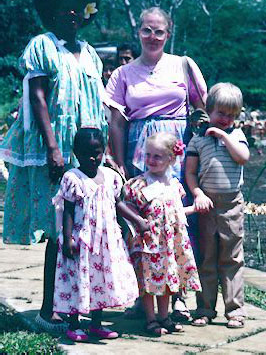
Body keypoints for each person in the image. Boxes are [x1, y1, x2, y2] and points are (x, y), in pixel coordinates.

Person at [0, 0, 108, 333]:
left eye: (78, 10)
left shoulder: (91, 54)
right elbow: (39, 98)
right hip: (57, 150)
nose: (72, 15)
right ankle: (49, 309)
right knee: (58, 231)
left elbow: (97, 106)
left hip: (88, 154)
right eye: (64, 10)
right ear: (52, 12)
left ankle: (80, 307)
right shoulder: (42, 46)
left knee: (86, 230)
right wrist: (52, 148)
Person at [106, 6, 207, 318]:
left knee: (177, 222)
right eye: (146, 30)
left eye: (158, 31)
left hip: (176, 151)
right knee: (142, 227)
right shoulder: (123, 73)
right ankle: (144, 296)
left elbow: (201, 109)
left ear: (168, 32)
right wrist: (119, 162)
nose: (152, 37)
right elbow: (116, 122)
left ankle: (177, 297)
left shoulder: (183, 65)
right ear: (138, 32)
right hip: (141, 152)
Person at [53, 127, 146, 341]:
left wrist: (138, 220)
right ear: (76, 153)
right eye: (86, 154)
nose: (92, 158)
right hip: (81, 240)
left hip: (106, 242)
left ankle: (96, 323)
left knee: (101, 281)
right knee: (79, 280)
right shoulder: (72, 178)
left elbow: (118, 203)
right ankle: (74, 323)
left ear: (103, 150)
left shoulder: (111, 176)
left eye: (97, 152)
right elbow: (67, 211)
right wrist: (68, 239)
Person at [122, 132, 201, 336]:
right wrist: (138, 228)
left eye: (157, 156)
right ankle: (150, 319)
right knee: (148, 280)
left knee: (166, 280)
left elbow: (175, 211)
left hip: (168, 242)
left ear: (171, 159)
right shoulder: (139, 184)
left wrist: (193, 209)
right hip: (149, 244)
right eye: (148, 155)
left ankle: (164, 316)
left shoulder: (174, 185)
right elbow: (128, 211)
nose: (151, 160)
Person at [185, 82, 250, 329]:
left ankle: (235, 309)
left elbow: (243, 158)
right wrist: (197, 193)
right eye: (221, 113)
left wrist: (224, 135)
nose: (226, 119)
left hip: (231, 203)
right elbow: (190, 173)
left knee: (232, 258)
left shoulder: (237, 136)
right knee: (206, 257)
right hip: (206, 204)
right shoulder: (197, 140)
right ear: (209, 110)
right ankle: (205, 308)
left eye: (231, 115)